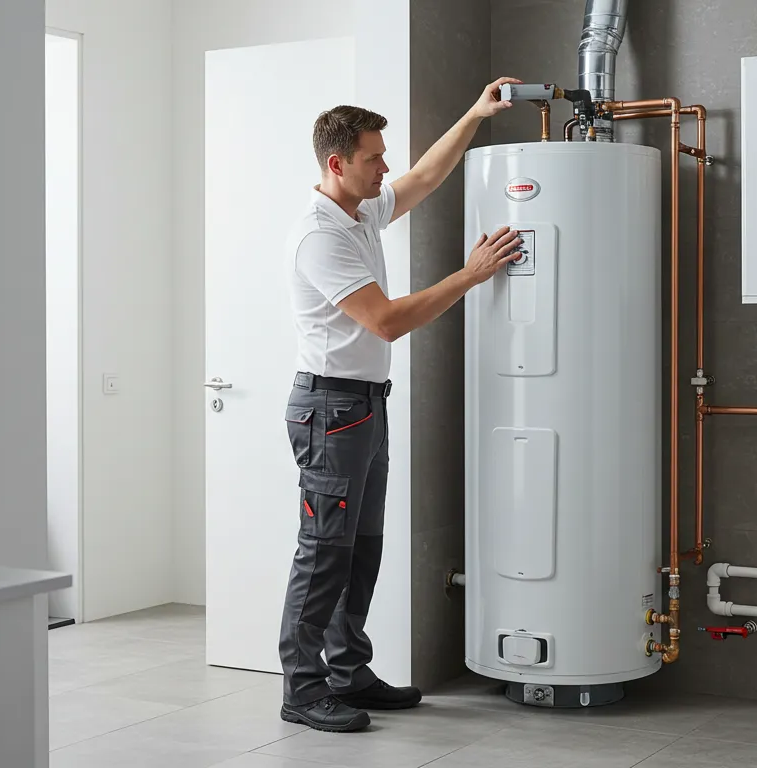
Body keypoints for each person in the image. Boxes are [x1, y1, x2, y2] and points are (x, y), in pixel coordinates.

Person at [277, 77, 525, 733]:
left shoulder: (359, 213)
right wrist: (469, 276)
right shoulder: (320, 237)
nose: (385, 167)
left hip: (363, 407)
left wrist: (474, 111)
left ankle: (347, 672)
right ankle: (303, 690)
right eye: (372, 158)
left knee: (361, 550)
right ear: (337, 163)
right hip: (330, 410)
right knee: (324, 551)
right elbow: (384, 322)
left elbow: (423, 177)